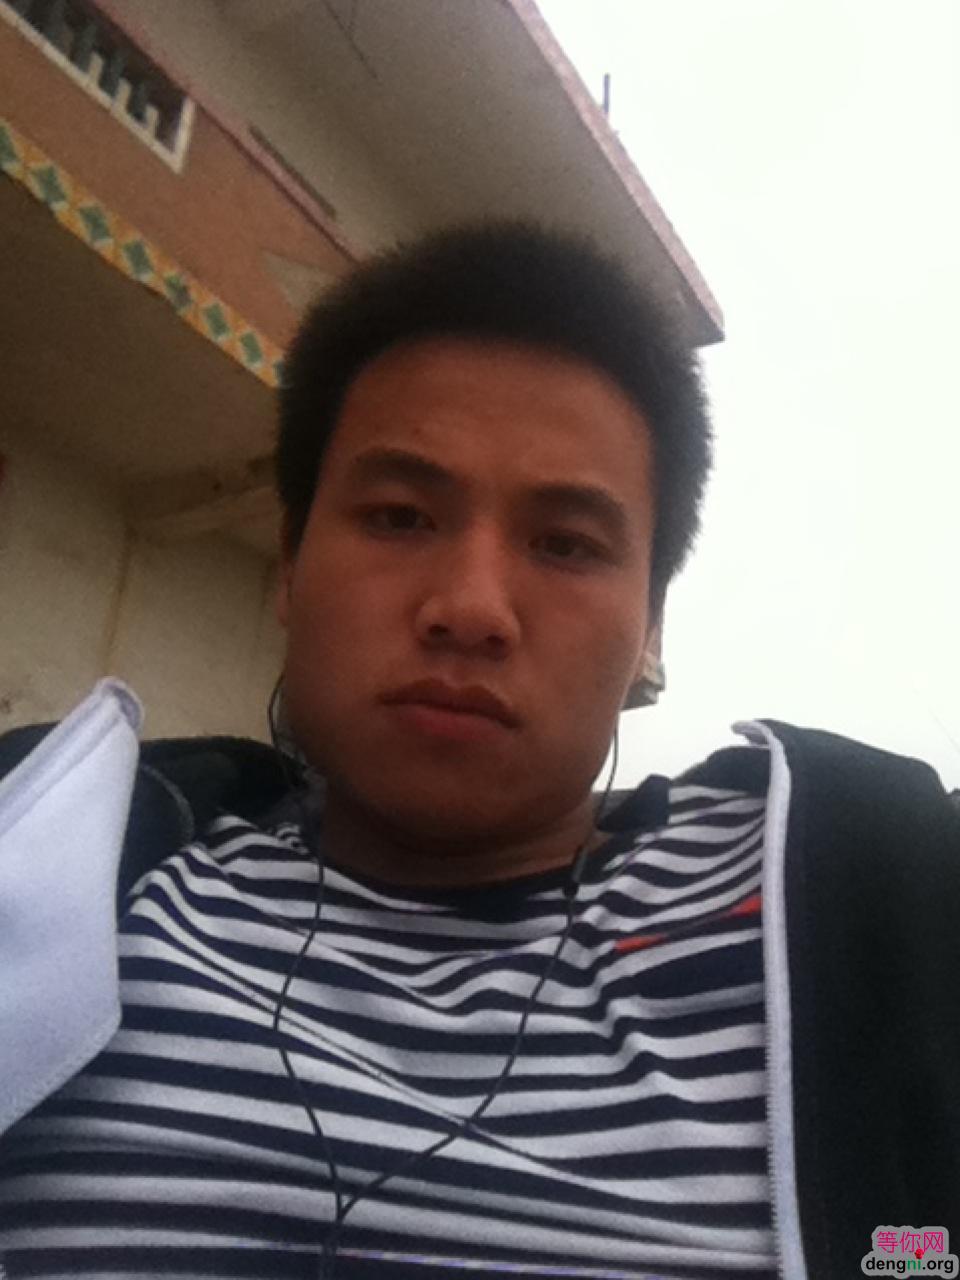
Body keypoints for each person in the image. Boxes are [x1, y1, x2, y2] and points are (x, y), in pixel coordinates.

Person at [0, 222, 957, 1280]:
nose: (470, 607)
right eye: (400, 516)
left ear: (650, 629)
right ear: (292, 565)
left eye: (565, 544)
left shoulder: (878, 914)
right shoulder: (64, 868)